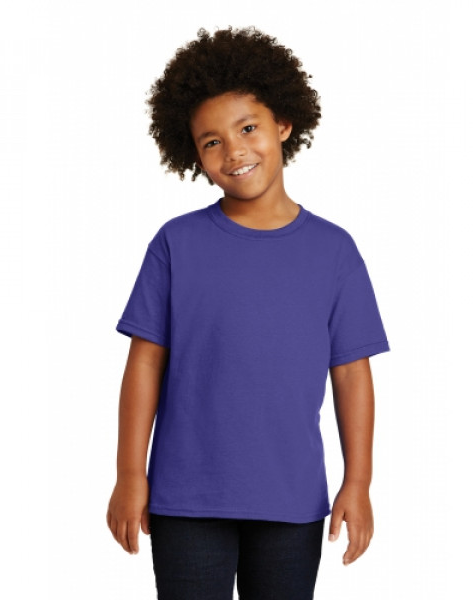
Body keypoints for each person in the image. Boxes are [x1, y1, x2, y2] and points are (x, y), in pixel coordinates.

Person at [106, 26, 390, 599]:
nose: (233, 151)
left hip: (291, 501)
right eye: (211, 141)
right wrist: (129, 474)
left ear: (283, 123)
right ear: (193, 154)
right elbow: (145, 363)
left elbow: (351, 373)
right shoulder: (176, 244)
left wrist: (357, 482)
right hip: (186, 499)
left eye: (248, 128)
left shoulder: (334, 251)